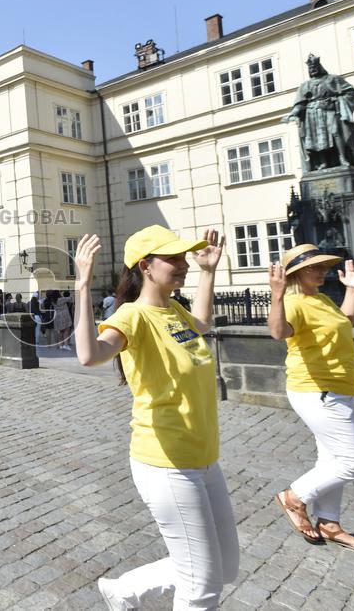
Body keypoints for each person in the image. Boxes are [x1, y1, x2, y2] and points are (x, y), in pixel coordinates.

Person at [74, 225, 238, 610]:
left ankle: (125, 591)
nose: (184, 265)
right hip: (166, 464)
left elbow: (201, 323)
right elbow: (90, 355)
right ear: (146, 266)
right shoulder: (133, 316)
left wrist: (209, 272)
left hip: (204, 458)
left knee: (225, 569)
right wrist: (82, 285)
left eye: (184, 258)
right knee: (202, 588)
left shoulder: (174, 309)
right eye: (175, 259)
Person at [267, 244, 354, 556]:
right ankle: (294, 497)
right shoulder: (293, 301)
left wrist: (353, 290)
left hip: (338, 389)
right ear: (296, 273)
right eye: (313, 266)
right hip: (316, 390)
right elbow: (278, 332)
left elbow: (345, 321)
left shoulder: (322, 298)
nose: (321, 270)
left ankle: (330, 524)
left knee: (332, 461)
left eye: (323, 265)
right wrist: (277, 295)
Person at [281, 54, 354, 172]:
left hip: (329, 110)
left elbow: (349, 91)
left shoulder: (332, 79)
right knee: (316, 138)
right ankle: (322, 162)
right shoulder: (305, 85)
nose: (312, 70)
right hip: (311, 113)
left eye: (314, 67)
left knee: (336, 132)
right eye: (310, 68)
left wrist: (338, 100)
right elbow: (300, 103)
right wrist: (293, 113)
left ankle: (342, 158)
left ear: (319, 67)